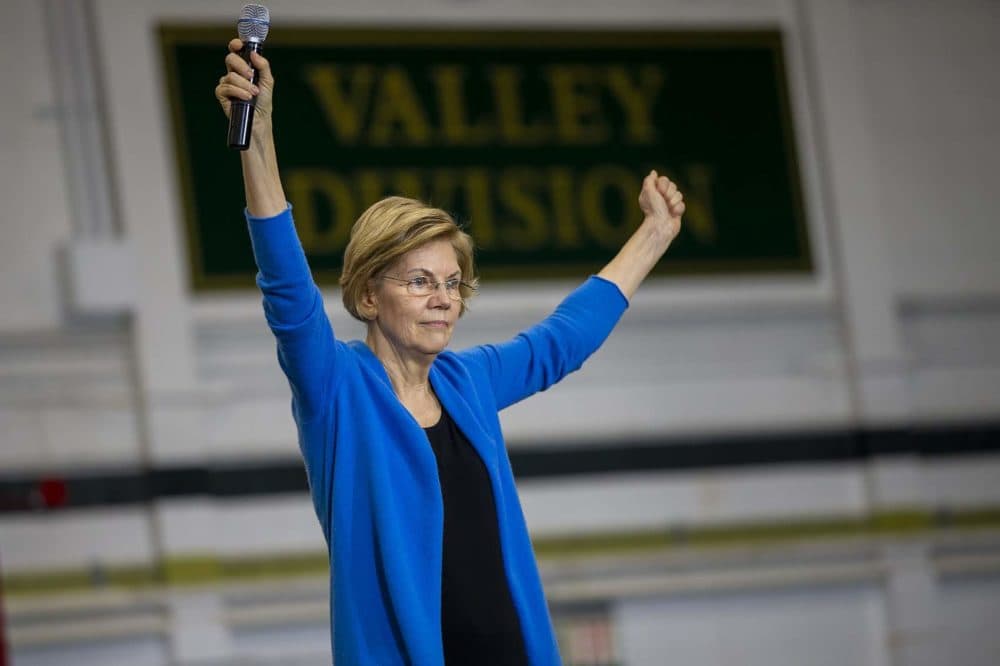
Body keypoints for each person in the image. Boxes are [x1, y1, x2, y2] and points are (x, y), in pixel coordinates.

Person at [215, 38, 685, 666]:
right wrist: (258, 138)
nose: (442, 299)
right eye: (418, 281)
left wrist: (654, 235)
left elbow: (561, 342)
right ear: (368, 296)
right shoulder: (337, 389)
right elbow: (286, 287)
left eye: (451, 283)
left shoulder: (469, 381)